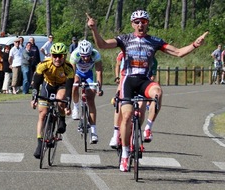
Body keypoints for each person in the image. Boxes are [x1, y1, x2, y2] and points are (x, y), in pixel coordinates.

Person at [87, 10, 208, 172]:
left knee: (157, 92)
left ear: (147, 23)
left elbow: (178, 52)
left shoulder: (154, 41)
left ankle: (148, 127)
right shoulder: (124, 39)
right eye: (136, 22)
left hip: (145, 81)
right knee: (127, 116)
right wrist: (94, 29)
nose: (140, 24)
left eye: (143, 21)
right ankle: (124, 154)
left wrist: (194, 45)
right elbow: (102, 45)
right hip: (128, 81)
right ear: (132, 24)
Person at [31, 42, 74, 159]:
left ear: (64, 56)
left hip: (62, 85)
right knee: (42, 114)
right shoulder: (43, 64)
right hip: (47, 85)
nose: (57, 58)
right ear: (51, 55)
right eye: (54, 55)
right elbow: (36, 83)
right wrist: (34, 98)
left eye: (60, 56)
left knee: (60, 99)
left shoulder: (68, 68)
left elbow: (69, 88)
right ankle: (40, 143)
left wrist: (67, 106)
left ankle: (61, 119)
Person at [109, 51, 158, 148]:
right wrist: (117, 77)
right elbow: (118, 65)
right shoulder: (126, 53)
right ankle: (115, 134)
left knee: (141, 110)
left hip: (142, 83)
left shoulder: (153, 60)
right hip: (126, 80)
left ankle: (136, 131)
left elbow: (152, 76)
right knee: (119, 103)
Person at [70, 39, 103, 144]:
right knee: (74, 84)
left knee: (90, 100)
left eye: (87, 56)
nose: (85, 58)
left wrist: (99, 88)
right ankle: (75, 107)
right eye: (83, 56)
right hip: (78, 73)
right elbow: (72, 72)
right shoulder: (75, 54)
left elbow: (98, 71)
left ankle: (93, 132)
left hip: (89, 74)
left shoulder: (96, 54)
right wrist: (71, 85)